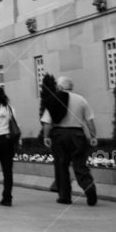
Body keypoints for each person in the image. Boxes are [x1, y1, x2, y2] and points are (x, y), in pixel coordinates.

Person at [42, 76, 98, 206]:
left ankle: (64, 196)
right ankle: (89, 187)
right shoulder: (81, 100)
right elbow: (89, 121)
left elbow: (47, 122)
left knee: (61, 166)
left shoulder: (54, 99)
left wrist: (46, 137)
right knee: (80, 165)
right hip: (78, 135)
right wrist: (93, 136)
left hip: (59, 135)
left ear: (60, 87)